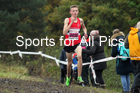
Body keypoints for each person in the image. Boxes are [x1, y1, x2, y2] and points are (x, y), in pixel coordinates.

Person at [63, 5, 88, 86]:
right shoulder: (67, 20)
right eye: (73, 11)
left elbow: (84, 27)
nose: (74, 12)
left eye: (76, 11)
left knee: (80, 56)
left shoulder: (80, 20)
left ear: (78, 12)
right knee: (70, 63)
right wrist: (70, 23)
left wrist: (85, 33)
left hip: (77, 43)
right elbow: (64, 32)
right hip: (69, 43)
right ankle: (68, 77)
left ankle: (79, 77)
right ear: (70, 12)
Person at [111, 29, 133, 93]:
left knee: (123, 75)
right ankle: (128, 89)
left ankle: (125, 90)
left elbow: (114, 53)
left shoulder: (115, 40)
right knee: (127, 74)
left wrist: (113, 55)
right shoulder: (125, 38)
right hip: (128, 58)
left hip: (120, 60)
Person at [125, 22, 140, 93]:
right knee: (138, 75)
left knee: (136, 74)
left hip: (132, 57)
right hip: (139, 57)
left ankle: (136, 89)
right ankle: (133, 89)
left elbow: (126, 46)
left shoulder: (130, 34)